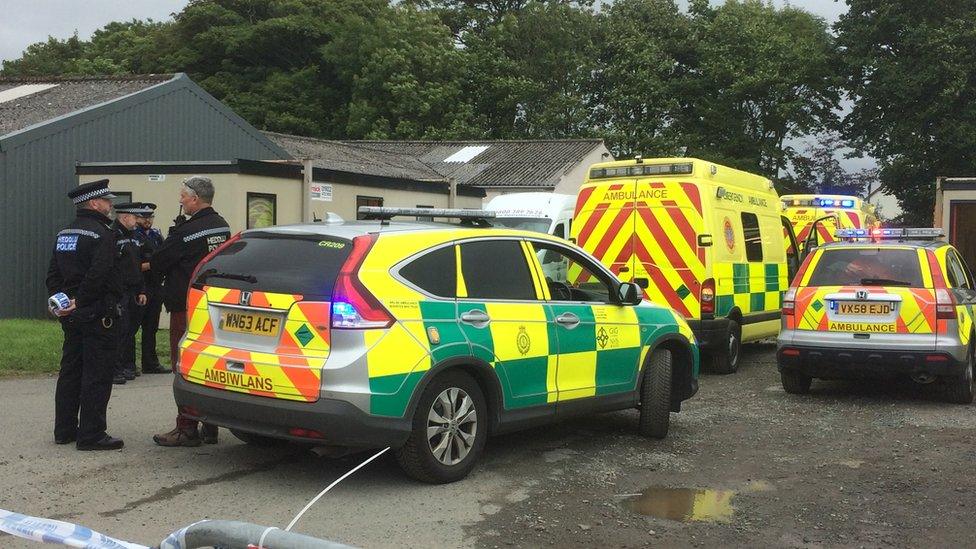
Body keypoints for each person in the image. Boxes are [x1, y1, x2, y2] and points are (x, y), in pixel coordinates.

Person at [45, 179, 125, 451]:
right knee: (97, 374)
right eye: (107, 201)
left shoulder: (64, 233)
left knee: (70, 371)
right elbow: (99, 274)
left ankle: (64, 430)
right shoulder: (103, 233)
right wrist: (81, 301)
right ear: (94, 203)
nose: (110, 205)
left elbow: (53, 275)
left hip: (70, 314)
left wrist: (60, 301)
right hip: (96, 313)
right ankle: (91, 435)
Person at [152, 176, 231, 447]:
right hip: (213, 306)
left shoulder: (186, 231)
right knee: (208, 366)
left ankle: (185, 427)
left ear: (196, 198)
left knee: (183, 365)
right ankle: (210, 426)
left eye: (183, 196)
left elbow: (160, 260)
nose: (180, 200)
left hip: (186, 306)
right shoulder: (222, 225)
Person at [111, 203, 148, 384]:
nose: (137, 221)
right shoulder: (113, 236)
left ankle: (129, 366)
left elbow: (137, 265)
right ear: (125, 218)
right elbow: (112, 267)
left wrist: (141, 289)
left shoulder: (133, 237)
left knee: (131, 330)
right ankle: (116, 368)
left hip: (134, 290)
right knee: (121, 330)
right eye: (134, 217)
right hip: (121, 291)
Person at [134, 203, 168, 374]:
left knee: (151, 327)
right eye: (143, 217)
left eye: (150, 217)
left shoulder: (156, 235)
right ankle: (128, 364)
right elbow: (132, 265)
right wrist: (152, 264)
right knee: (132, 327)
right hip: (140, 286)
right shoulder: (134, 236)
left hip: (155, 285)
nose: (147, 220)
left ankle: (150, 362)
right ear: (137, 218)